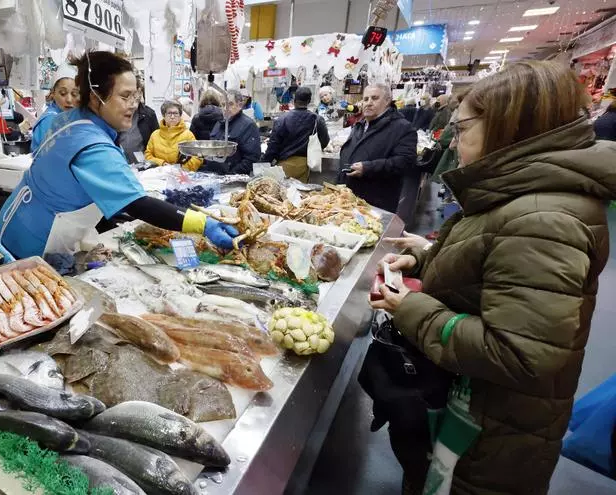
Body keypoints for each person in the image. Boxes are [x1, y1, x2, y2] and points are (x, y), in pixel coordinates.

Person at [370, 60, 616, 495]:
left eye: (462, 129)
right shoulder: (521, 193)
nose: (455, 141)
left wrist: (410, 307)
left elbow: (519, 353)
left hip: (489, 430)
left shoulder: (543, 218)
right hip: (473, 411)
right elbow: (497, 267)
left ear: (508, 129)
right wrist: (428, 258)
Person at [0, 51, 238, 259]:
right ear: (95, 97)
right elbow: (138, 204)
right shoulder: (91, 145)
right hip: (33, 238)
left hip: (20, 216)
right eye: (125, 96)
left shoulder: (69, 118)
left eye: (135, 95)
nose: (133, 105)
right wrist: (203, 223)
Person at [339, 83, 417, 212]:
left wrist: (368, 168)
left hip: (376, 202)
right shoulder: (360, 124)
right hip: (349, 199)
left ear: (387, 101)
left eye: (374, 98)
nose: (368, 103)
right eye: (365, 99)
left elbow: (406, 162)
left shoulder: (403, 128)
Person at [261, 87, 330, 182]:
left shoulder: (282, 119)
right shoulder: (317, 120)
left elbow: (273, 146)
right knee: (300, 194)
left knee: (282, 193)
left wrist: (264, 163)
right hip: (305, 166)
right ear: (309, 101)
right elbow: (325, 142)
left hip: (284, 166)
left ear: (294, 100)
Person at [199, 90, 261, 175]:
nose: (225, 108)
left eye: (230, 104)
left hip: (232, 180)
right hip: (213, 175)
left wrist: (231, 174)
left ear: (239, 105)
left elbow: (252, 158)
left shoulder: (248, 125)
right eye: (223, 105)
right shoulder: (219, 123)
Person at [144, 100, 202, 171]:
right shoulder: (155, 135)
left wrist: (182, 169)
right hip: (159, 176)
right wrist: (162, 164)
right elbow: (148, 155)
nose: (172, 116)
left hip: (182, 177)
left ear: (180, 115)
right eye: (169, 113)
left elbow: (198, 156)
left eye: (175, 113)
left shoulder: (188, 135)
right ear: (164, 115)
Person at [31, 68, 78, 153]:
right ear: (53, 93)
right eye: (63, 93)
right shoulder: (50, 120)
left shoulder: (67, 116)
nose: (69, 100)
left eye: (74, 94)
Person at [119, 81, 159, 163]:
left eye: (133, 93)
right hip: (121, 163)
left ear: (139, 92)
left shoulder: (149, 114)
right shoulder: (116, 113)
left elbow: (157, 142)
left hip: (143, 165)